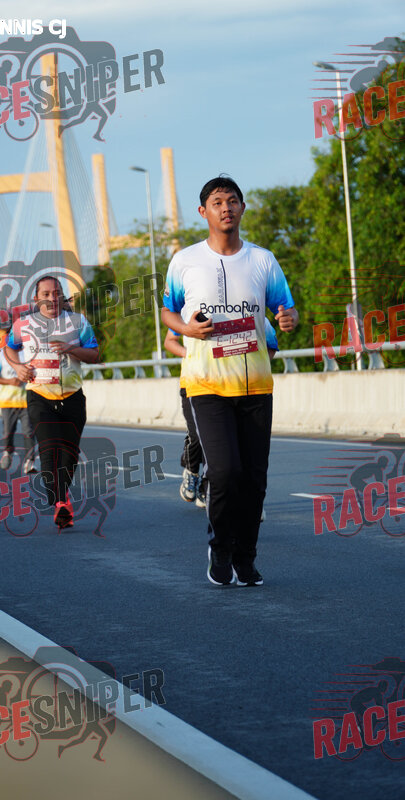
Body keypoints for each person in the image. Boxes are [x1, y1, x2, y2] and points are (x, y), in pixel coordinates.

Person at [161, 176, 298, 587]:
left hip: (256, 385)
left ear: (242, 208)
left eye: (233, 200)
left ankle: (245, 558)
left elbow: (286, 310)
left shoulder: (263, 260)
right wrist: (187, 328)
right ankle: (220, 547)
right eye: (218, 202)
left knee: (254, 480)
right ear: (203, 211)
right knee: (224, 472)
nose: (226, 208)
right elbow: (167, 313)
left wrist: (288, 319)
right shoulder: (185, 261)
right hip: (206, 385)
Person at [4, 275, 99, 529]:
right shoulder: (23, 324)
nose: (52, 298)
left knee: (69, 455)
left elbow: (94, 354)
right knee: (49, 450)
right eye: (46, 294)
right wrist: (18, 367)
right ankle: (60, 503)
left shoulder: (78, 322)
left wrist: (70, 349)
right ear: (36, 299)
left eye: (56, 293)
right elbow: (8, 347)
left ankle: (61, 497)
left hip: (72, 397)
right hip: (40, 396)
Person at [165, 318, 279, 516]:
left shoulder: (252, 310)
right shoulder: (191, 311)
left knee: (238, 450)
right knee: (198, 436)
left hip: (242, 388)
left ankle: (245, 500)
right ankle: (192, 470)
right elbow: (170, 340)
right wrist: (193, 354)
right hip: (199, 385)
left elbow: (270, 345)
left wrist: (255, 365)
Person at [0, 349, 36, 473]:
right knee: (8, 431)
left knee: (29, 431)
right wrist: (10, 381)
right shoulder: (0, 356)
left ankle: (30, 462)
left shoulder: (29, 352)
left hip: (26, 401)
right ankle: (8, 452)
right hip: (8, 401)